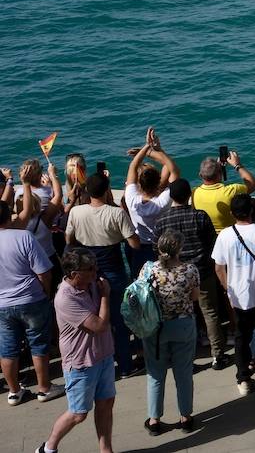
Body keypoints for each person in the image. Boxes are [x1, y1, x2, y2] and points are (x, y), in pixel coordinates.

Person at [40, 248, 117, 453]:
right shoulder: (65, 298)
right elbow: (99, 326)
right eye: (90, 269)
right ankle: (48, 447)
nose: (96, 271)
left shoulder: (92, 284)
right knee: (78, 413)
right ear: (74, 274)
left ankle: (105, 449)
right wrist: (105, 297)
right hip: (81, 363)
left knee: (106, 403)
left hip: (104, 355)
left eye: (95, 266)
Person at [64, 170, 139, 377]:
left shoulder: (76, 212)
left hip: (88, 273)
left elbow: (69, 240)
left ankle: (103, 363)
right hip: (113, 271)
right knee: (118, 320)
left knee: (95, 319)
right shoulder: (116, 213)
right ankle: (125, 366)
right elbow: (134, 243)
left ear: (87, 191)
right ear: (107, 191)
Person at [211, 192, 255, 395]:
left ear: (232, 213)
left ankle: (243, 378)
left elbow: (219, 267)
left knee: (242, 339)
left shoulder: (225, 235)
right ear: (252, 211)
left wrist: (228, 288)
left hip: (239, 296)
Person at [154, 178, 225, 368]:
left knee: (184, 316)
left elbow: (158, 249)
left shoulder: (162, 221)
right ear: (190, 195)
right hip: (202, 272)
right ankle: (217, 355)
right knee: (210, 312)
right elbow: (213, 244)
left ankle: (189, 358)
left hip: (173, 276)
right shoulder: (200, 216)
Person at [137, 230, 198, 435]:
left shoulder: (148, 269)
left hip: (154, 327)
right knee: (183, 374)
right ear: (179, 249)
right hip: (182, 325)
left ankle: (154, 419)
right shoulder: (189, 270)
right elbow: (195, 297)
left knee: (155, 374)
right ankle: (186, 417)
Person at [0, 192, 56, 405]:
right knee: (39, 344)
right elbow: (44, 272)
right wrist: (46, 293)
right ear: (8, 216)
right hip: (31, 298)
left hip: (2, 304)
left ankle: (14, 392)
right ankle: (44, 388)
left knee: (7, 348)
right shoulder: (23, 236)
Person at [122, 128, 179, 265]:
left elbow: (133, 166)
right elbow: (173, 169)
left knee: (140, 278)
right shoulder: (161, 203)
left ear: (139, 182)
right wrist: (155, 150)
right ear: (158, 181)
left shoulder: (131, 199)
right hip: (160, 246)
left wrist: (146, 147)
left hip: (139, 247)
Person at [193, 149, 255, 234]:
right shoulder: (231, 191)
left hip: (208, 237)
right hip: (230, 234)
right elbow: (253, 185)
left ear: (200, 175)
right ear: (220, 174)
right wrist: (237, 165)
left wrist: (218, 169)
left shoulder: (194, 193)